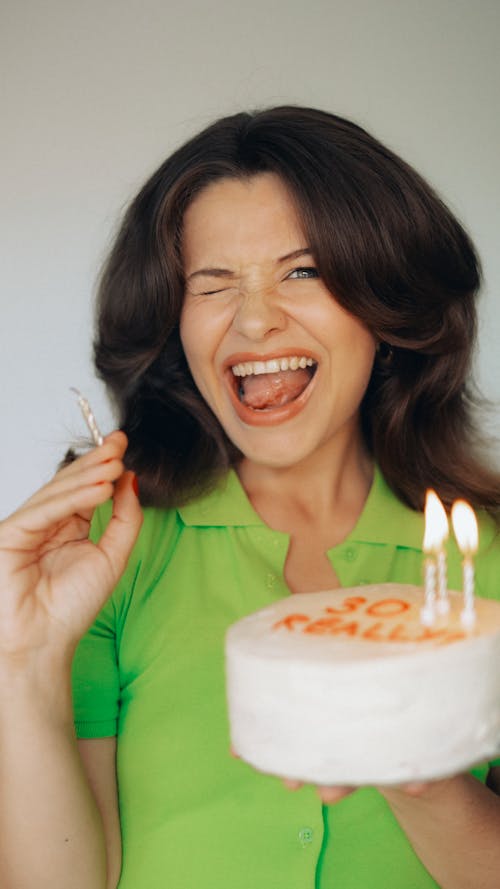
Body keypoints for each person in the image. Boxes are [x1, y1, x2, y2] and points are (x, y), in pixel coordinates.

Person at [0, 106, 499, 889]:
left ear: (386, 303)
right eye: (214, 283)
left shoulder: (486, 555)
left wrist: (421, 767)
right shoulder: (101, 552)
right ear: (174, 325)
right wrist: (23, 663)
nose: (256, 320)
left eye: (303, 271)